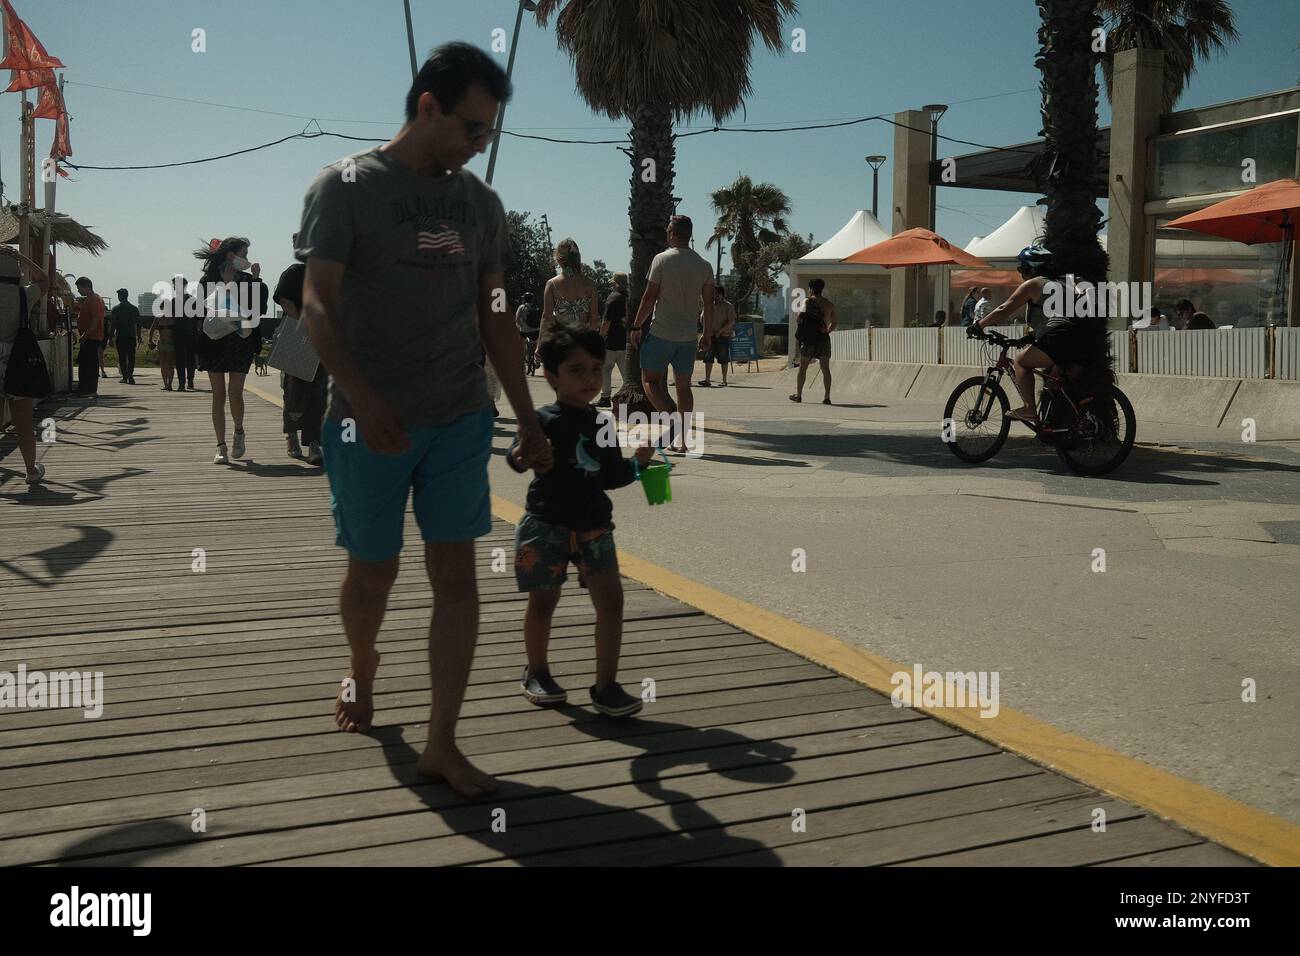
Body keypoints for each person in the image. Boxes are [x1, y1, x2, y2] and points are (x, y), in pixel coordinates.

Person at [298, 41, 550, 798]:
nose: (480, 146)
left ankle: (442, 743)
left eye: (490, 135)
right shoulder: (344, 187)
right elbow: (316, 304)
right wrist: (363, 397)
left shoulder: (480, 205)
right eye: (473, 129)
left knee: (458, 576)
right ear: (428, 108)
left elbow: (498, 314)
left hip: (458, 416)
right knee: (372, 573)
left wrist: (530, 419)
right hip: (367, 419)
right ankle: (361, 669)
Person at [506, 324, 654, 716]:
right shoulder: (541, 418)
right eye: (576, 370)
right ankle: (536, 671)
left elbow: (609, 477)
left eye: (596, 368)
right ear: (551, 376)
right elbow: (516, 458)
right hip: (545, 524)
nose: (590, 378)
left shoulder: (602, 422)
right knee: (543, 601)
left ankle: (606, 685)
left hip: (593, 525)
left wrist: (638, 465)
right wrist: (523, 454)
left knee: (611, 603)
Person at [970, 245, 1108, 424]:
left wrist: (978, 325)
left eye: (1022, 268)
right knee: (1055, 385)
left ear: (1031, 268)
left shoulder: (1034, 284)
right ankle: (1069, 427)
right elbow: (1059, 315)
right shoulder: (1064, 283)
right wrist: (1029, 338)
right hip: (1082, 339)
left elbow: (1005, 308)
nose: (1021, 272)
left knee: (1020, 361)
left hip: (1060, 337)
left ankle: (1029, 409)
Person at [628, 215, 714, 453]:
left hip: (662, 332)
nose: (666, 234)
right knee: (684, 386)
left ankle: (672, 420)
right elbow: (708, 305)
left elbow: (649, 297)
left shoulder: (662, 260)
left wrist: (636, 326)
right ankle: (683, 440)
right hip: (687, 337)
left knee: (650, 381)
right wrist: (706, 334)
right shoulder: (704, 266)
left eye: (668, 230)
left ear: (673, 234)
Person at [195, 236, 268, 463]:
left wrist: (255, 280)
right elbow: (202, 311)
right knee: (218, 395)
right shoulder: (207, 280)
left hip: (240, 341)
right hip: (214, 342)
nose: (246, 259)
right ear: (231, 255)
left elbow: (258, 310)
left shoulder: (248, 280)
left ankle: (238, 431)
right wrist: (226, 286)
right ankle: (220, 446)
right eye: (243, 254)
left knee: (235, 392)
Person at [274, 233, 327, 464]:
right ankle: (292, 436)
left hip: (321, 339)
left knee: (318, 393)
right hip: (297, 337)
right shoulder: (294, 273)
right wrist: (301, 324)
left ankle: (314, 442)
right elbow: (285, 301)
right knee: (293, 391)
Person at [0, 253, 46, 485]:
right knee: (23, 423)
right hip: (17, 361)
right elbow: (45, 280)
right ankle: (31, 470)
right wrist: (22, 256)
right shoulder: (24, 294)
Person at [538, 238, 598, 346]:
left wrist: (540, 344)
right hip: (583, 342)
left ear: (558, 259)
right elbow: (593, 319)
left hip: (561, 343)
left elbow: (547, 317)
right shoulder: (590, 284)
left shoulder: (552, 284)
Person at [790, 277, 836, 404]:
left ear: (811, 289)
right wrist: (827, 331)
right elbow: (834, 323)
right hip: (823, 338)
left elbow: (799, 317)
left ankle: (798, 395)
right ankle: (827, 397)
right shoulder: (829, 304)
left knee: (803, 367)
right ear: (822, 289)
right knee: (825, 369)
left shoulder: (807, 301)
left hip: (809, 338)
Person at [597, 273, 628, 407]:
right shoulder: (630, 298)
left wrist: (600, 337)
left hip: (611, 341)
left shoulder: (613, 298)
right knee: (627, 373)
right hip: (626, 341)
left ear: (615, 284)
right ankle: (630, 396)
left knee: (605, 369)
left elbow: (606, 321)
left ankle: (605, 397)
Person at [699, 282, 737, 387]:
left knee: (723, 358)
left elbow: (731, 321)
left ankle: (724, 381)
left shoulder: (728, 306)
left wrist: (720, 331)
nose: (713, 295)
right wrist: (705, 332)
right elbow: (702, 319)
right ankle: (707, 380)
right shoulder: (708, 305)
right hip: (710, 336)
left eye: (715, 293)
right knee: (708, 357)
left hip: (723, 336)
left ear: (721, 294)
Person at [73, 277, 104, 398]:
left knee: (89, 363)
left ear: (86, 286)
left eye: (79, 288)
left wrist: (85, 335)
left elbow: (95, 319)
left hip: (92, 337)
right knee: (86, 362)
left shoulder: (94, 300)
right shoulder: (91, 299)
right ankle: (85, 387)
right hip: (90, 336)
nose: (79, 291)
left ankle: (88, 388)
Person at [172, 274, 199, 391]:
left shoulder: (191, 301)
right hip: (182, 332)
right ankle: (184, 382)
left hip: (188, 332)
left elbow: (198, 317)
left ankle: (187, 382)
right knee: (184, 359)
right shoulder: (175, 301)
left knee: (187, 358)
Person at [147, 288, 178, 390]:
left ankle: (170, 384)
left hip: (170, 342)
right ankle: (165, 384)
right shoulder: (158, 317)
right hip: (161, 342)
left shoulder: (173, 318)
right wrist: (150, 340)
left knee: (170, 364)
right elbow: (151, 330)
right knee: (163, 364)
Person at [108, 289, 140, 385]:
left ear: (120, 297)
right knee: (131, 356)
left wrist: (110, 337)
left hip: (121, 336)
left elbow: (113, 325)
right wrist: (139, 335)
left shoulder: (116, 309)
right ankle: (130, 374)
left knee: (122, 356)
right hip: (131, 336)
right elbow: (139, 324)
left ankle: (125, 376)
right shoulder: (134, 308)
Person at [515, 291, 541, 374]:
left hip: (524, 331)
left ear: (524, 299)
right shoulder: (535, 307)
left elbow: (517, 319)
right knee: (536, 343)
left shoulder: (521, 307)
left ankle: (522, 358)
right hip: (535, 331)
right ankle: (537, 360)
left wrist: (520, 326)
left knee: (520, 342)